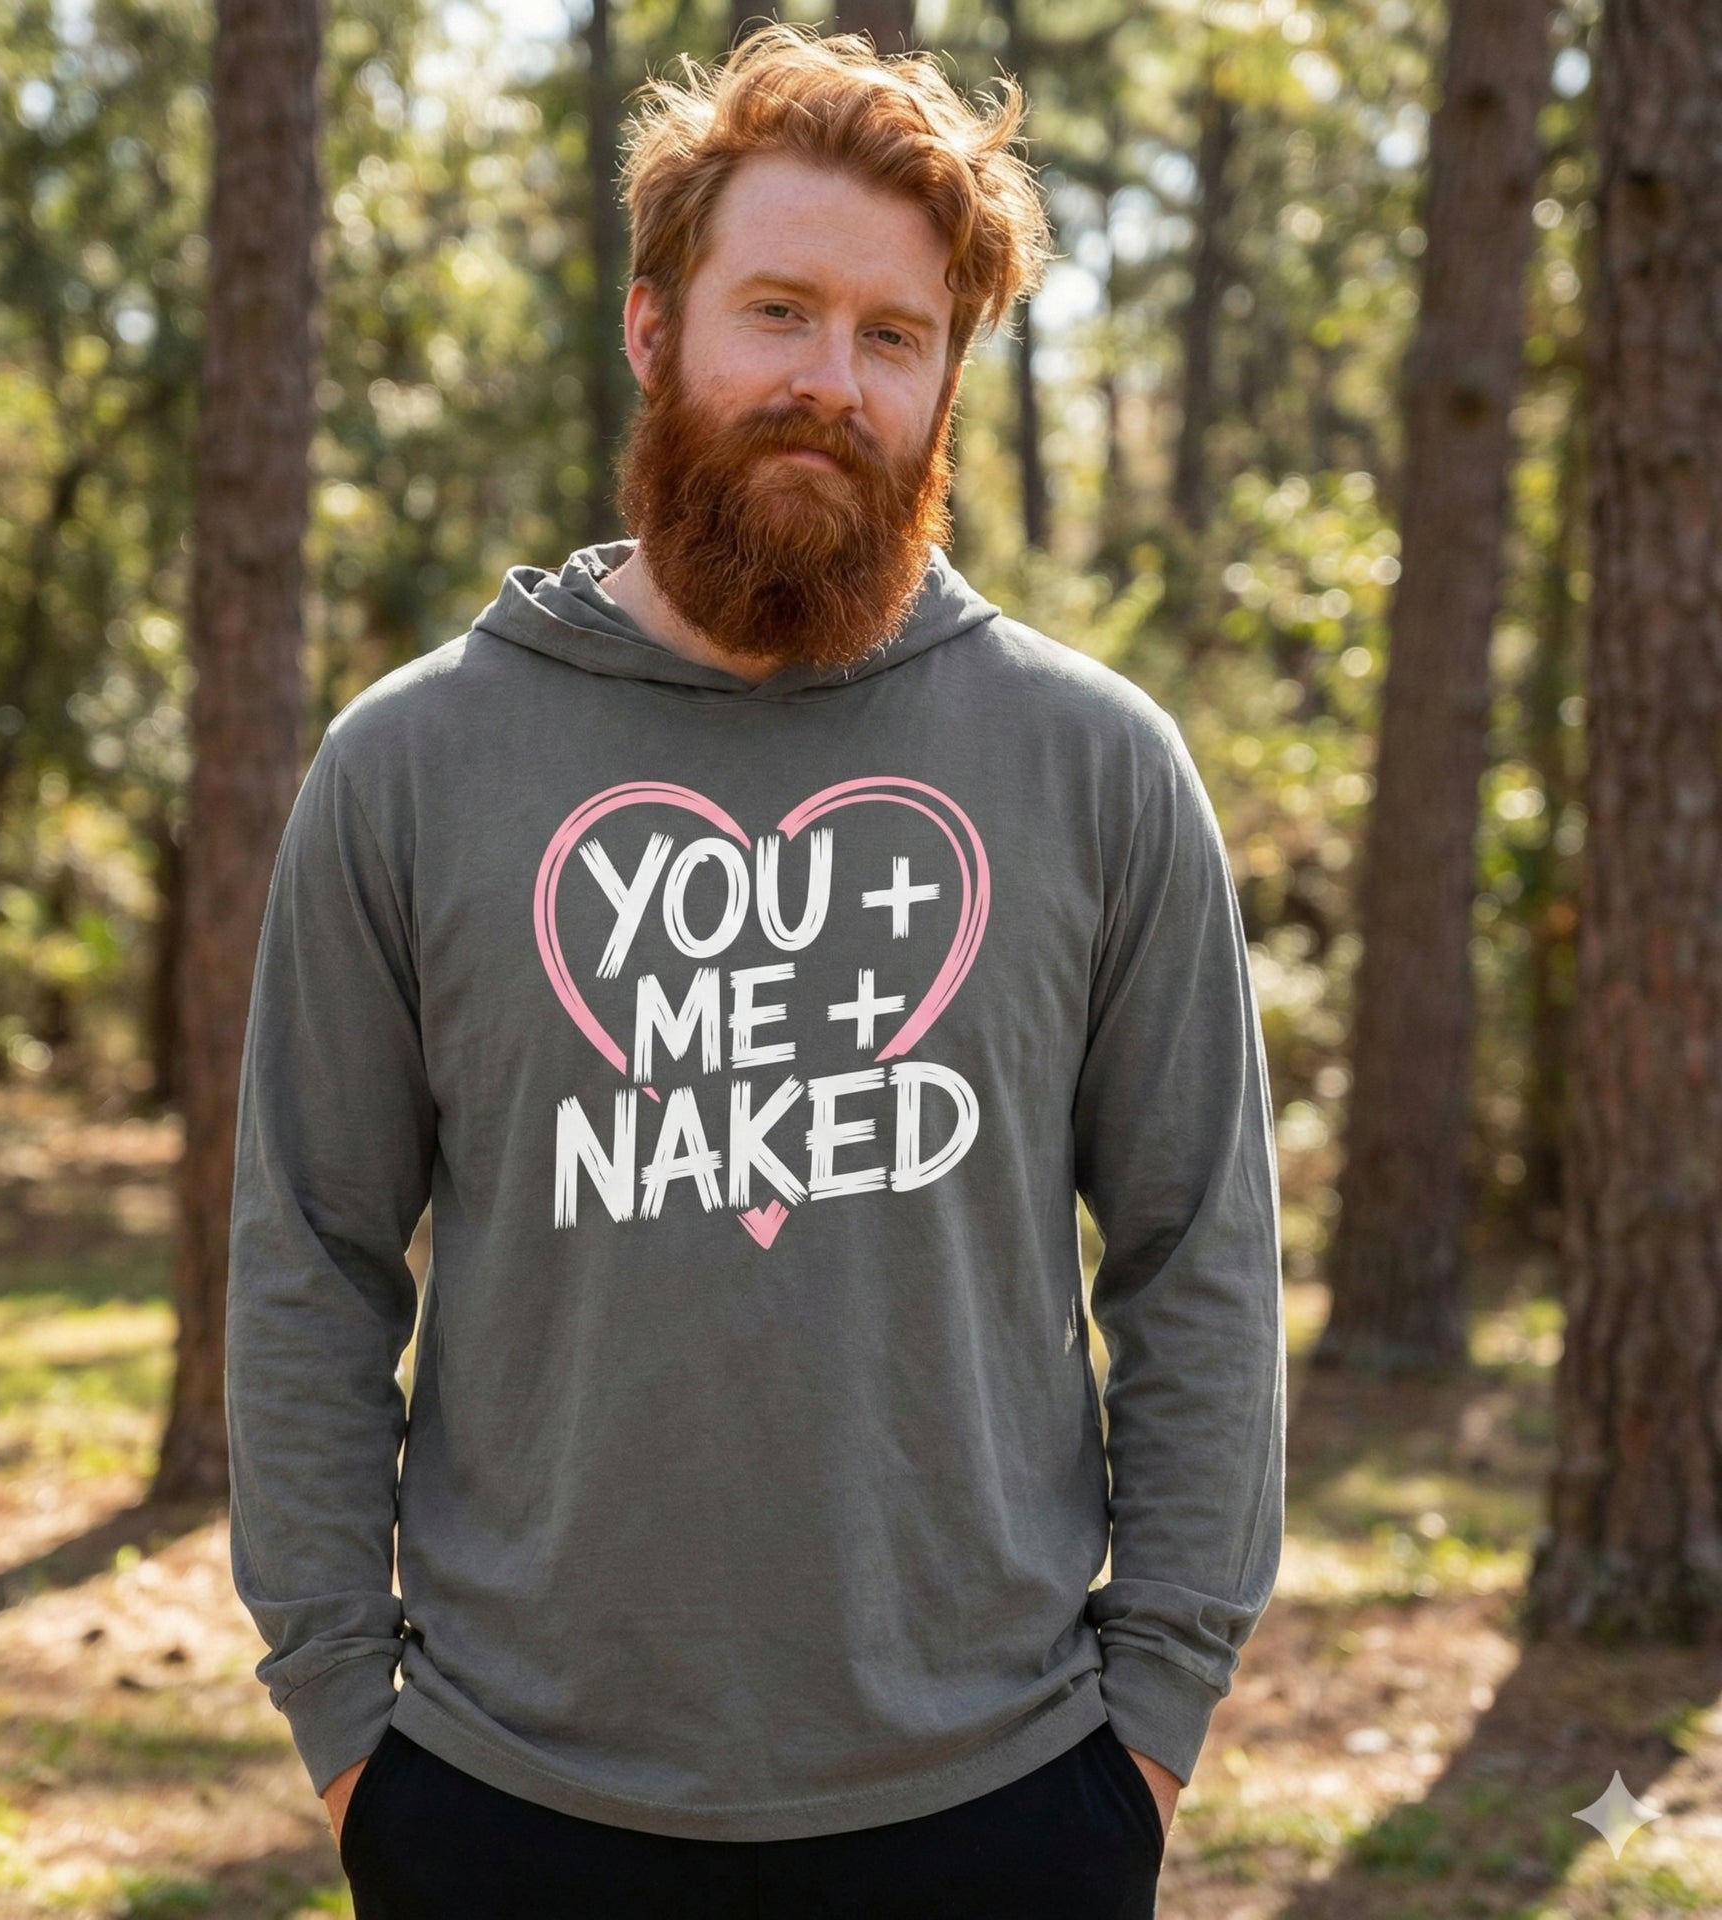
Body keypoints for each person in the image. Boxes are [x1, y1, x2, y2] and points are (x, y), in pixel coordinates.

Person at [225, 26, 1284, 1919]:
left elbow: (1201, 1254)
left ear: (951, 374)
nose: (832, 384)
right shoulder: (411, 764)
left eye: (895, 336)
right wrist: (345, 1729)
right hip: (501, 1794)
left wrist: (1153, 1725)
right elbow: (307, 1251)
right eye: (778, 311)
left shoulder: (1094, 765)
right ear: (653, 329)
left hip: (1008, 1794)